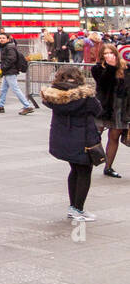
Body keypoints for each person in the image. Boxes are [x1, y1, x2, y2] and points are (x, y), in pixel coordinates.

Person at [41, 65, 102, 221]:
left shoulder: (54, 96)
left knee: (74, 170)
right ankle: (78, 209)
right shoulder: (85, 96)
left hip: (63, 139)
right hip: (83, 138)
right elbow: (98, 109)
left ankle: (73, 207)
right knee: (84, 172)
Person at [88, 43, 127, 178]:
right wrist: (110, 67)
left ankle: (108, 166)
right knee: (94, 135)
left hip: (120, 106)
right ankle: (88, 163)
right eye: (105, 53)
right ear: (102, 55)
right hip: (103, 106)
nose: (108, 55)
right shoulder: (97, 68)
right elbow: (103, 84)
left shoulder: (124, 67)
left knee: (114, 136)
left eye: (111, 52)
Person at [0, 32, 36, 116]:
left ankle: (27, 106)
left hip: (10, 71)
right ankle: (0, 106)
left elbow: (12, 59)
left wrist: (4, 67)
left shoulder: (9, 47)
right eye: (0, 38)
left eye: (3, 38)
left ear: (8, 39)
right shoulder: (6, 47)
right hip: (8, 71)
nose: (1, 39)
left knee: (15, 89)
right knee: (3, 90)